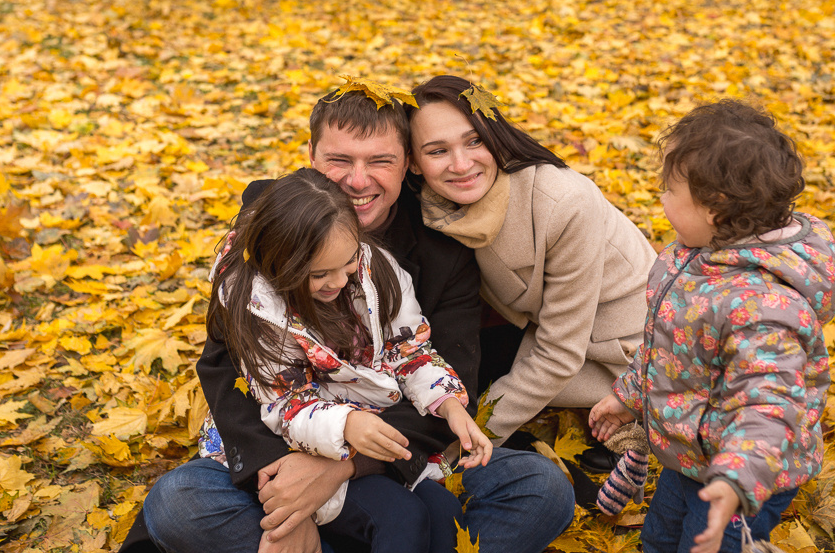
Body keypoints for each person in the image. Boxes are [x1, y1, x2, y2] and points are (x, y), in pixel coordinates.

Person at [122, 88, 575, 553]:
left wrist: (340, 466)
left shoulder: (439, 253)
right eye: (340, 160)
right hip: (283, 434)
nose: (358, 181)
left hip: (396, 448)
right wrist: (287, 495)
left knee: (541, 489)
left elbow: (435, 365)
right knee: (179, 502)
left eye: (380, 161)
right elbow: (227, 372)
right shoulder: (269, 227)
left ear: (408, 165)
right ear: (312, 158)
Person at [588, 100, 835, 553]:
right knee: (660, 538)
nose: (661, 199)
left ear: (716, 208)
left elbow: (768, 403)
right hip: (689, 454)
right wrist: (629, 395)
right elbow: (668, 350)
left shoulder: (763, 305)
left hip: (742, 476)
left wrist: (735, 479)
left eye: (669, 189)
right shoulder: (694, 257)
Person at [200, 168, 492, 553]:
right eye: (319, 274)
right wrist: (347, 424)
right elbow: (285, 403)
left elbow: (409, 350)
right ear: (280, 266)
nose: (338, 281)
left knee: (442, 510)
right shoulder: (260, 313)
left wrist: (449, 404)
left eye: (348, 261)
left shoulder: (377, 271)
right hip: (303, 448)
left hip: (371, 433)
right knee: (403, 519)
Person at [405, 75, 654, 455]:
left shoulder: (561, 204)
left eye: (475, 141)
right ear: (414, 163)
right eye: (437, 151)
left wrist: (464, 445)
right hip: (543, 325)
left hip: (617, 350)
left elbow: (559, 352)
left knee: (470, 393)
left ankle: (624, 415)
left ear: (495, 136)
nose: (461, 163)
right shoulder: (433, 207)